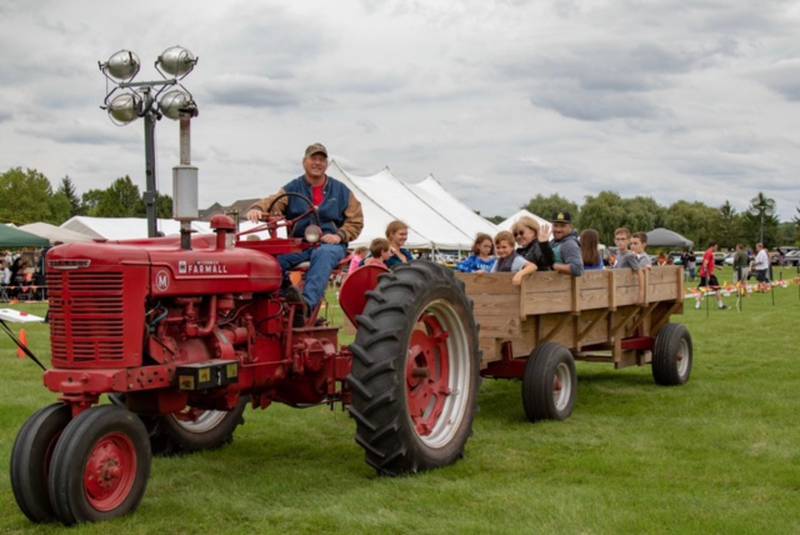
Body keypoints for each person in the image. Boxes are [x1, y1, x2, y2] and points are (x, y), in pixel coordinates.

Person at [246, 143, 364, 324]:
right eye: (313, 159)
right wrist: (257, 209)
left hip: (329, 245)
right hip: (300, 245)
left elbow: (355, 221)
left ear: (326, 164)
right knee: (270, 262)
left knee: (323, 254)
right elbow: (272, 203)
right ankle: (281, 300)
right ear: (304, 162)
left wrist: (339, 236)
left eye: (321, 160)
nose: (317, 163)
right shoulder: (292, 188)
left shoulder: (341, 191)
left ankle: (306, 307)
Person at [550, 211, 583, 276]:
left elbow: (577, 269)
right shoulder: (553, 242)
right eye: (555, 225)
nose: (558, 229)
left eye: (562, 226)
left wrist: (553, 266)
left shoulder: (569, 244)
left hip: (561, 285)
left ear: (570, 227)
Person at [696, 241, 725, 310]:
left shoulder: (709, 252)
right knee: (717, 288)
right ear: (713, 246)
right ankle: (720, 305)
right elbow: (705, 264)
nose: (716, 248)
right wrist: (707, 275)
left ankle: (697, 305)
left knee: (702, 289)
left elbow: (709, 264)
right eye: (716, 247)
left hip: (706, 274)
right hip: (708, 274)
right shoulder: (709, 253)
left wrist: (717, 267)